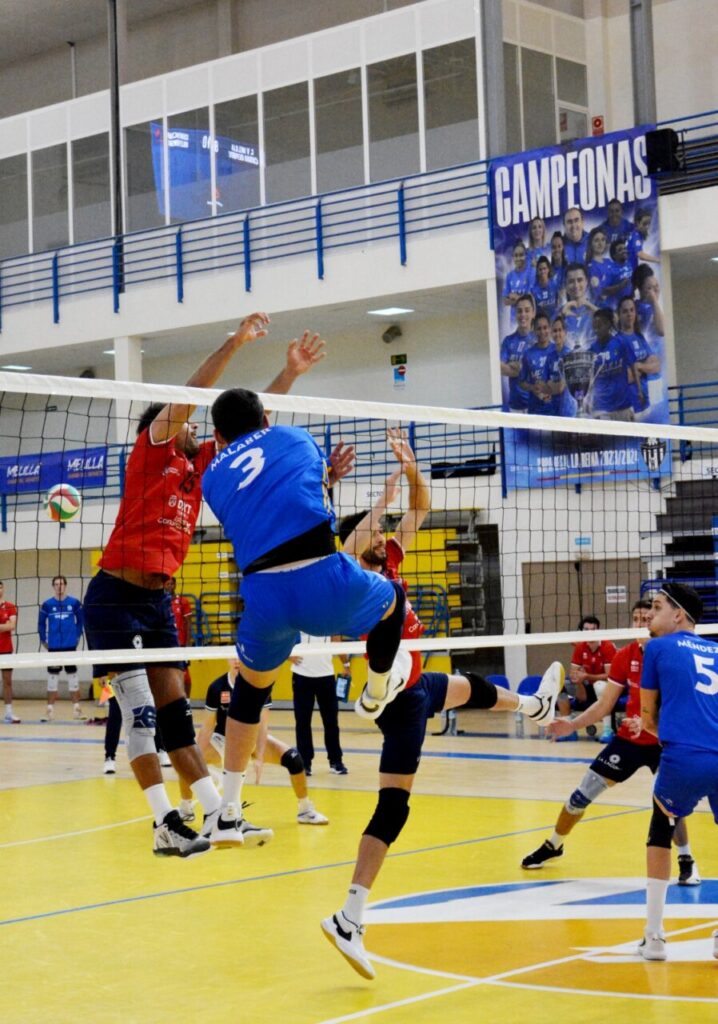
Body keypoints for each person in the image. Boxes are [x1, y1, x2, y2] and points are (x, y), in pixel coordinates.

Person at [83, 314, 326, 857]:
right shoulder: (153, 453)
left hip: (157, 601)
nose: (198, 429)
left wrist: (289, 374)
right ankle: (163, 821)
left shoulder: (203, 468)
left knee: (177, 716)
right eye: (190, 424)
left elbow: (252, 426)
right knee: (142, 714)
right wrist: (234, 343)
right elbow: (189, 396)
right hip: (114, 596)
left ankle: (218, 815)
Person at [200, 387, 407, 845]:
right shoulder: (295, 439)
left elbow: (263, 499)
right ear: (266, 420)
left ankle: (227, 812)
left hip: (262, 596)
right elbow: (301, 488)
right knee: (395, 599)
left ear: (217, 436)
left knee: (249, 694)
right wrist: (328, 474)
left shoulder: (210, 479)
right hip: (322, 581)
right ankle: (374, 693)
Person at [321, 662, 565, 979]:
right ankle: (348, 920)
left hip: (416, 683)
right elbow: (375, 640)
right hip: (403, 701)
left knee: (473, 685)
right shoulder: (377, 612)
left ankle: (535, 706)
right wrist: (374, 693)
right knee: (393, 809)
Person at [522, 599, 700, 886]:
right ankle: (554, 844)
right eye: (637, 619)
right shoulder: (624, 656)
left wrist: (651, 724)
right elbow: (605, 704)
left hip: (663, 741)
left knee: (670, 804)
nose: (642, 623)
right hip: (628, 740)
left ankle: (686, 859)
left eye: (647, 617)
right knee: (580, 796)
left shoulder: (673, 654)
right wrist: (572, 724)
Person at [637, 583, 717, 962]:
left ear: (679, 615)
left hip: (684, 755)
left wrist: (675, 732)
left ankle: (654, 937)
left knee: (661, 825)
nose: (650, 615)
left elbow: (648, 718)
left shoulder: (657, 648)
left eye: (656, 607)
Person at [177, 660, 328, 829]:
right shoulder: (217, 687)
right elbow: (208, 726)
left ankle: (305, 810)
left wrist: (260, 756)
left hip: (254, 738)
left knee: (294, 759)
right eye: (232, 658)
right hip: (224, 739)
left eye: (240, 658)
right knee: (188, 760)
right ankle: (185, 808)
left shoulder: (260, 684)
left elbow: (263, 725)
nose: (236, 661)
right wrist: (197, 752)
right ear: (227, 660)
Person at [338, 427, 431, 699]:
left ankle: (531, 705)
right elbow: (349, 549)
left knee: (473, 688)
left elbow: (418, 509)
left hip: (413, 660)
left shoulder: (389, 557)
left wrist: (412, 470)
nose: (381, 538)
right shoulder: (351, 571)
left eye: (380, 531)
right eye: (375, 532)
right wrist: (382, 502)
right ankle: (374, 697)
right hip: (391, 665)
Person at [291, 633, 348, 777]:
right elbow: (281, 635)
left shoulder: (328, 616)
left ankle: (336, 761)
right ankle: (305, 762)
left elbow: (336, 640)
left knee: (331, 722)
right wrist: (287, 655)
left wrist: (346, 664)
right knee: (303, 722)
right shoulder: (298, 614)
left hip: (326, 676)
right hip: (301, 676)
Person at [556, 613, 616, 739]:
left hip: (606, 688)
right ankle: (569, 730)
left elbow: (609, 676)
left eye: (593, 630)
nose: (589, 633)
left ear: (598, 631)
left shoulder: (607, 646)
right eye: (586, 630)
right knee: (560, 686)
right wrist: (577, 680)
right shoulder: (580, 647)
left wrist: (586, 676)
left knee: (600, 686)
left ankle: (607, 730)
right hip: (586, 686)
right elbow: (574, 673)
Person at [38, 575, 85, 722]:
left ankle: (77, 710)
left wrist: (77, 636)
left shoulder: (74, 603)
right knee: (52, 679)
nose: (59, 587)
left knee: (73, 678)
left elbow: (81, 621)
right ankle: (49, 711)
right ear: (53, 586)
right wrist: (43, 640)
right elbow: (40, 624)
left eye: (62, 584)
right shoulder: (47, 605)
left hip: (70, 646)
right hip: (54, 647)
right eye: (56, 584)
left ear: (65, 586)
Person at [587, 308, 638, 421]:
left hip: (623, 407)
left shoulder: (621, 342)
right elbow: (589, 378)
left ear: (608, 325)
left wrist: (639, 391)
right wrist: (587, 399)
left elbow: (634, 366)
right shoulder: (591, 351)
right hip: (602, 408)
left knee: (627, 438)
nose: (596, 330)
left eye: (599, 326)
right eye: (594, 327)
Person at [615, 296, 661, 415]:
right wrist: (645, 367)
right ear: (619, 315)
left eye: (632, 310)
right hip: (629, 408)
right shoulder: (617, 341)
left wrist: (639, 367)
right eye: (625, 311)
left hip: (646, 403)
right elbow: (623, 377)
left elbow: (656, 365)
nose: (629, 314)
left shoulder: (640, 337)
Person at [518, 310, 565, 416]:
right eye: (539, 329)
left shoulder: (558, 350)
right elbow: (521, 382)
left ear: (549, 328)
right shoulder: (528, 354)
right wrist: (532, 388)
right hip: (536, 412)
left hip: (557, 412)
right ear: (534, 331)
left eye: (545, 327)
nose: (543, 332)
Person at [500, 293, 534, 411]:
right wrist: (519, 370)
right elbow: (499, 367)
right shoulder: (508, 341)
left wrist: (515, 366)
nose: (523, 314)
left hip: (536, 407)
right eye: (519, 311)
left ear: (533, 313)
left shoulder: (540, 340)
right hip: (515, 408)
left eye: (527, 310)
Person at [165, 576, 193, 697]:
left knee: (185, 674)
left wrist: (188, 643)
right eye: (168, 584)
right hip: (166, 645)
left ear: (175, 585)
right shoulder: (160, 602)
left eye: (172, 584)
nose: (170, 586)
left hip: (180, 645)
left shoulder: (183, 601)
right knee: (167, 674)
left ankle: (187, 701)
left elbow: (188, 623)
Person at [561, 264, 597, 351]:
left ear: (586, 282)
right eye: (571, 281)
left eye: (580, 280)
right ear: (565, 285)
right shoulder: (561, 312)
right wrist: (563, 313)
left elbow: (612, 323)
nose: (576, 285)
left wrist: (590, 306)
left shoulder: (596, 307)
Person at [0, 581, 19, 724]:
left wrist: (7, 626)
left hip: (6, 649)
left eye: (0, 587)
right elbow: (7, 625)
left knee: (7, 681)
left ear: (3, 589)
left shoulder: (10, 606)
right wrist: (4, 626)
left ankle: (8, 712)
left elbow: (12, 626)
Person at [633, 264, 666, 340]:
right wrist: (654, 301)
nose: (655, 290)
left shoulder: (657, 304)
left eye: (656, 286)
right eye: (649, 288)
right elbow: (662, 331)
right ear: (640, 289)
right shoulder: (637, 307)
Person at [585, 226, 614, 305]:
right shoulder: (591, 267)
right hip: (603, 309)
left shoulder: (609, 262)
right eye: (596, 240)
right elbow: (602, 295)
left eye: (603, 240)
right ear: (591, 243)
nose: (600, 243)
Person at [502, 241, 533, 313]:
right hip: (513, 320)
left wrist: (515, 297)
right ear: (513, 257)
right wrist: (522, 299)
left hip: (528, 319)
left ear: (526, 255)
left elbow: (530, 300)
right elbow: (505, 301)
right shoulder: (509, 276)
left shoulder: (531, 273)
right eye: (516, 255)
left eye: (521, 255)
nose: (518, 258)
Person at [530, 256, 560, 320]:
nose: (542, 271)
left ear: (548, 269)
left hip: (553, 322)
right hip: (541, 324)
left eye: (544, 268)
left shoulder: (555, 285)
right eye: (540, 269)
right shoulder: (533, 290)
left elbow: (558, 302)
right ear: (537, 271)